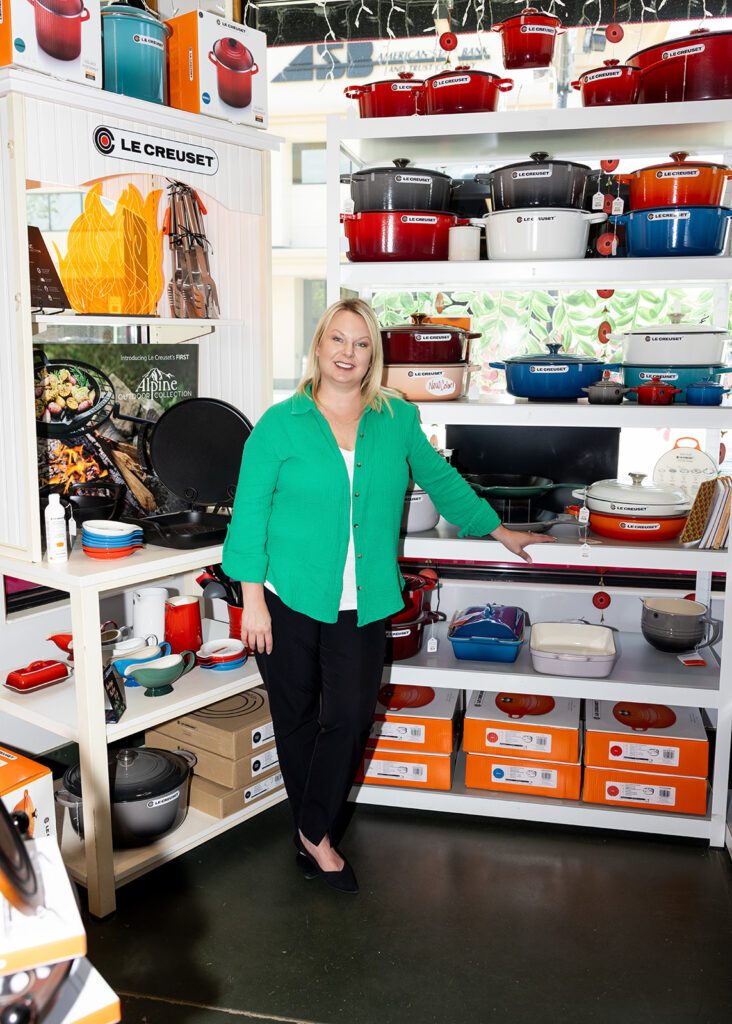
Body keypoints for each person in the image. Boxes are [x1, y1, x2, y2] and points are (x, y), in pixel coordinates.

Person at [222, 298, 554, 894]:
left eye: (362, 343)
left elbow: (441, 480)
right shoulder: (280, 422)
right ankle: (316, 839)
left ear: (373, 355)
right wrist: (252, 600)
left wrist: (498, 530)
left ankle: (309, 829)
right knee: (293, 718)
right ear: (319, 345)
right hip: (284, 595)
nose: (348, 353)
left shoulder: (395, 418)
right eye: (338, 340)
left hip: (363, 598)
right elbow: (249, 514)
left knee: (348, 718)